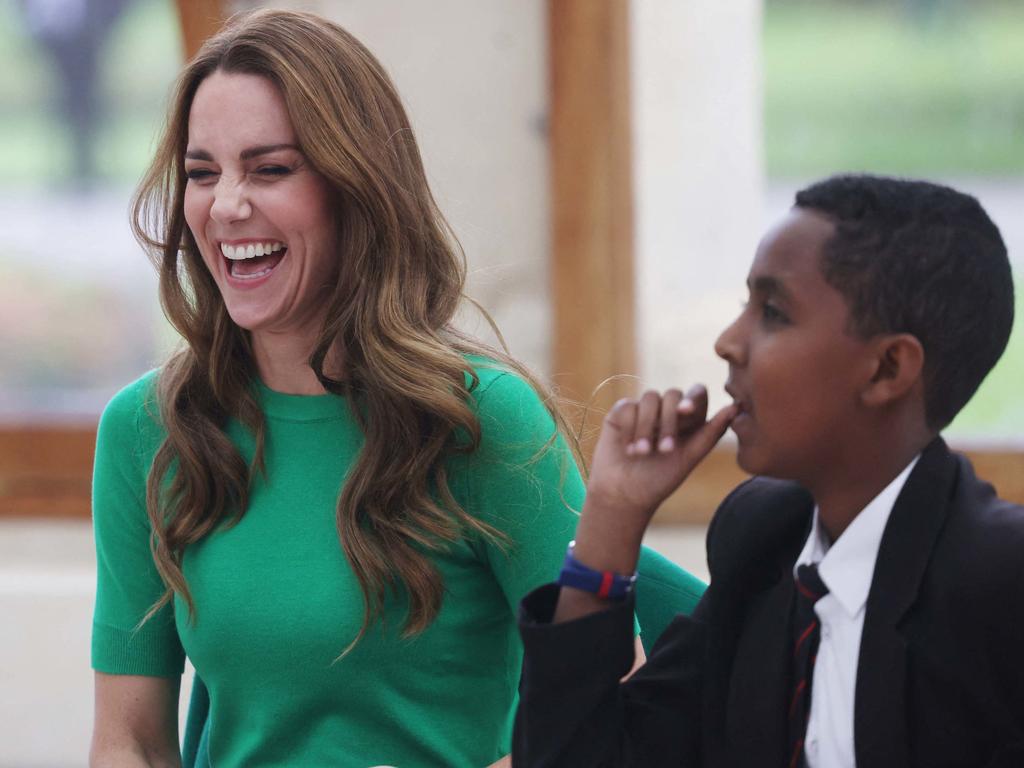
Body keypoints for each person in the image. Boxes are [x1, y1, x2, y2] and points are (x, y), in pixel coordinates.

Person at [88, 9, 633, 767]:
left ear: (358, 187)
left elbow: (612, 709)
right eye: (204, 172)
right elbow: (129, 741)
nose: (226, 205)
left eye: (270, 169)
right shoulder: (147, 429)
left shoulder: (478, 419)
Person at [513, 175, 1024, 767]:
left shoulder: (1000, 587)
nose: (729, 342)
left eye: (774, 313)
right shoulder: (765, 542)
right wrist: (612, 516)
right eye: (744, 306)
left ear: (887, 369)